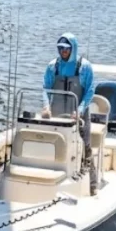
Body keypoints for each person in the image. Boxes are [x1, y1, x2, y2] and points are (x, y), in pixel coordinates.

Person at [41, 32, 98, 194]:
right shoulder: (53, 66)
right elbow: (45, 87)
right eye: (60, 48)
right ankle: (53, 183)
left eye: (66, 48)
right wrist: (46, 106)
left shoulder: (84, 67)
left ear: (72, 48)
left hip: (78, 114)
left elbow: (90, 91)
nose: (63, 51)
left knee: (85, 147)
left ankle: (91, 185)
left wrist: (79, 110)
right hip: (58, 113)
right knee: (56, 145)